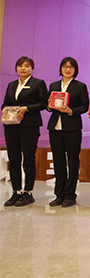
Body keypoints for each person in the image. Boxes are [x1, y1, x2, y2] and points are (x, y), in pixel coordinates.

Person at [2, 56, 48, 207]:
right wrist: (5, 109)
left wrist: (27, 108)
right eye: (20, 66)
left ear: (32, 69)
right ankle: (16, 192)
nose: (23, 68)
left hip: (29, 126)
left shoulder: (38, 83)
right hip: (11, 126)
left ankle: (28, 192)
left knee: (28, 159)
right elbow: (6, 103)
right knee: (14, 159)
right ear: (16, 68)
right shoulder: (11, 85)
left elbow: (43, 103)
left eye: (27, 66)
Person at [47, 57, 89, 208]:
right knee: (58, 161)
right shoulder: (54, 85)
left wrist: (71, 111)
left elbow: (85, 106)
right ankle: (59, 195)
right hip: (55, 127)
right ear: (61, 68)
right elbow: (48, 105)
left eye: (71, 67)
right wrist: (50, 105)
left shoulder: (80, 86)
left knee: (72, 161)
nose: (68, 69)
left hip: (72, 127)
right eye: (65, 66)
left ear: (75, 70)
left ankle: (70, 195)